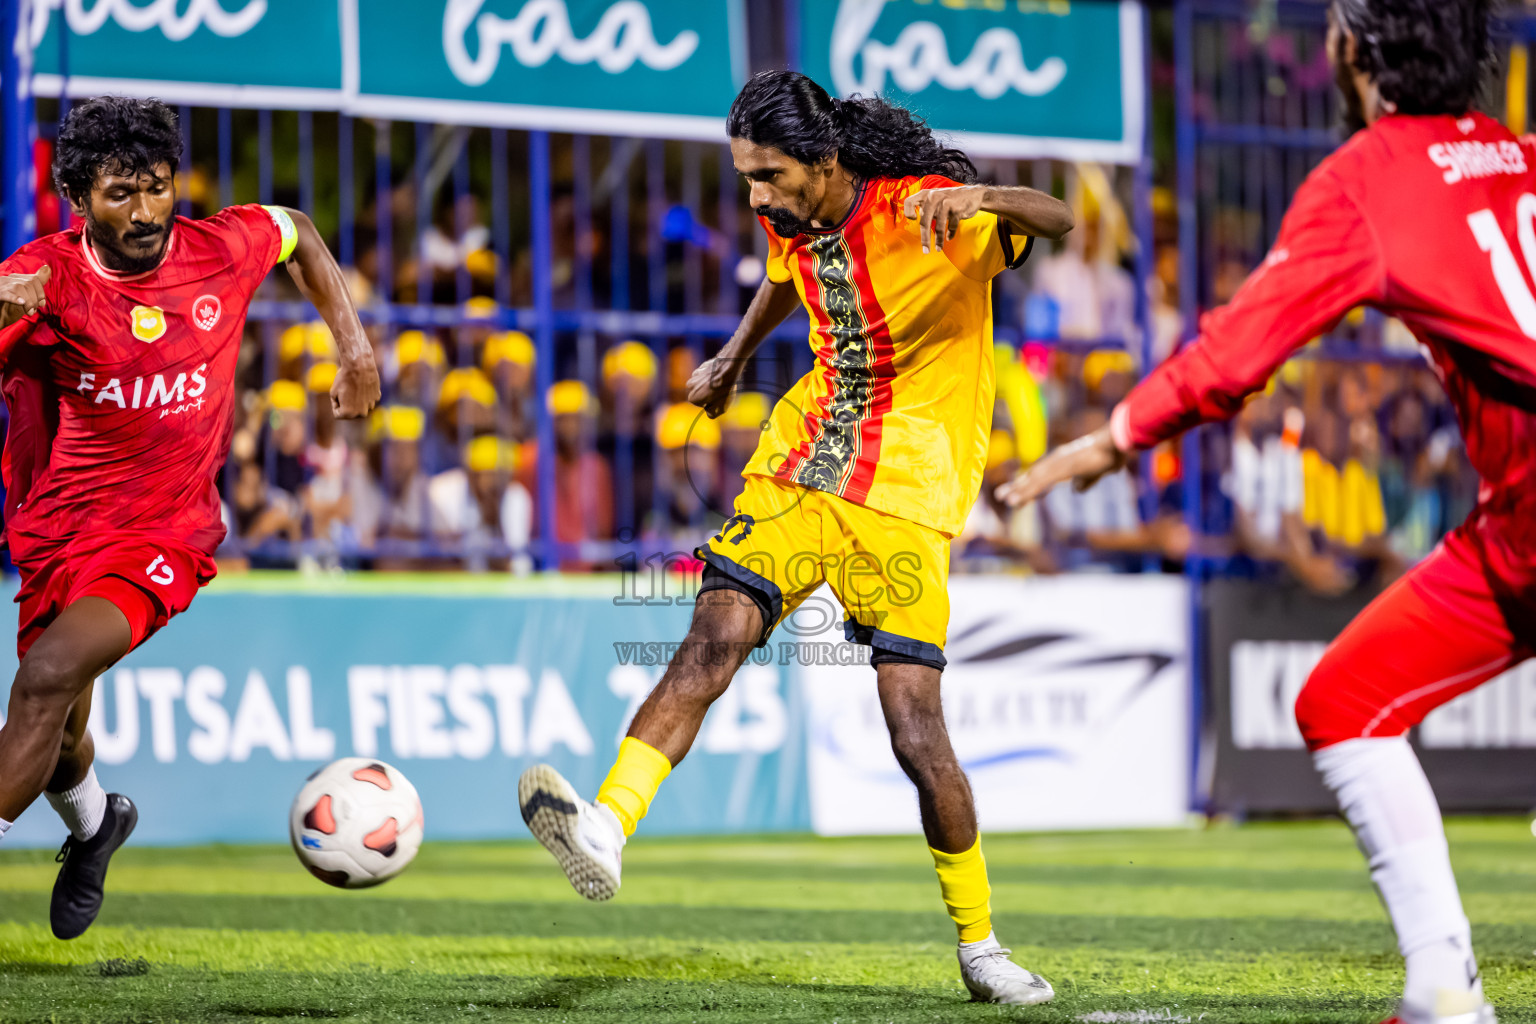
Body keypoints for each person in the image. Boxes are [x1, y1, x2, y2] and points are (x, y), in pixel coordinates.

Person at [517, 70, 1073, 1005]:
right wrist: (735, 357)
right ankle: (606, 827)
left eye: (768, 176)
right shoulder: (790, 221)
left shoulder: (927, 213)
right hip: (801, 468)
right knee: (711, 637)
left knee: (914, 732)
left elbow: (1053, 217)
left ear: (825, 162)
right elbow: (784, 283)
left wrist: (985, 195)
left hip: (908, 491)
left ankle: (981, 947)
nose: (754, 197)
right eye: (744, 176)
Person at [999, 4, 1508, 1022]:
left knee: (1345, 705)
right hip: (1514, 524)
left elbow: (1238, 351)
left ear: (1354, 53)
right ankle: (1439, 985)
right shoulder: (1521, 156)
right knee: (1344, 699)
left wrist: (1115, 436)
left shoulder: (1371, 175)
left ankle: (1445, 983)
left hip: (1528, 519)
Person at [0, 96, 379, 939]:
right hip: (57, 535)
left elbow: (300, 232)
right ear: (76, 198)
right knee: (60, 740)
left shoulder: (220, 248)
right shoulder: (45, 280)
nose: (143, 213)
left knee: (44, 678)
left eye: (158, 188)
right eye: (118, 196)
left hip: (163, 535)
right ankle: (98, 825)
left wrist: (354, 349)